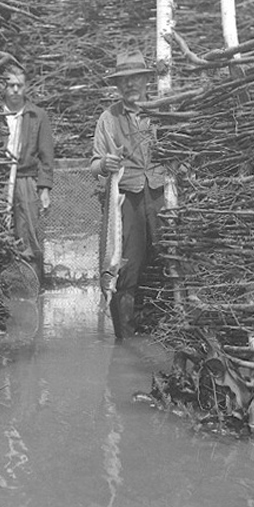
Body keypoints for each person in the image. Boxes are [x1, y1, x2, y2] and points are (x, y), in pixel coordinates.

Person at [91, 50, 167, 338]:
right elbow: (95, 164)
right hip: (126, 200)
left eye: (135, 78)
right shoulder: (108, 119)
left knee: (167, 261)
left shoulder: (162, 109)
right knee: (125, 270)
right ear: (117, 86)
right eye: (123, 81)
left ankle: (163, 332)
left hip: (161, 195)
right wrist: (105, 164)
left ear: (147, 80)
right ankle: (125, 342)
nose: (130, 85)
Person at [0, 65, 54, 283]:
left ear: (26, 87)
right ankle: (0, 283)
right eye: (10, 85)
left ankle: (31, 285)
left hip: (26, 180)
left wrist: (44, 189)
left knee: (29, 234)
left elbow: (46, 157)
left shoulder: (37, 116)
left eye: (19, 85)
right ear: (3, 87)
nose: (15, 90)